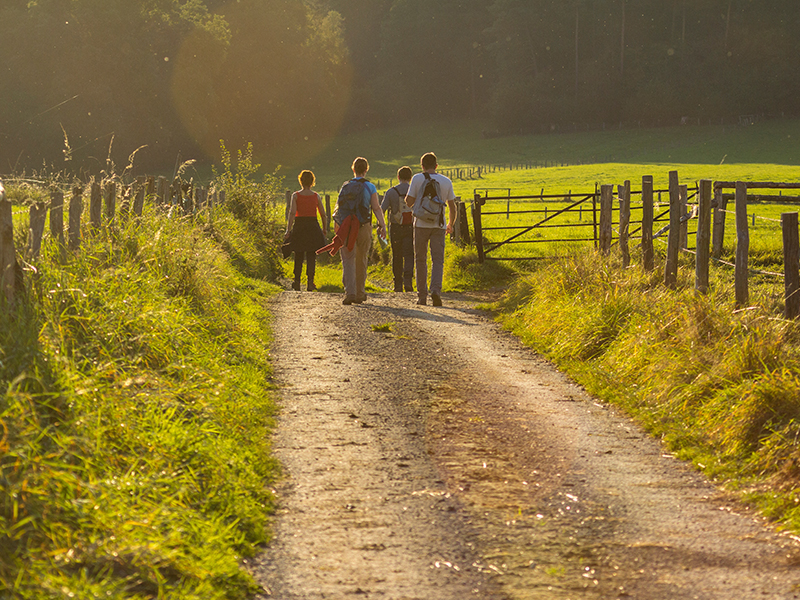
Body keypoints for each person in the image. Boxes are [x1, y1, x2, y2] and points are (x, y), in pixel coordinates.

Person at [404, 152, 456, 307]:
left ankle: (422, 296)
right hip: (439, 225)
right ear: (436, 165)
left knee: (420, 260)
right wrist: (450, 224)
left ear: (422, 166)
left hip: (420, 224)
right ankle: (436, 291)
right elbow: (452, 207)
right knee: (437, 260)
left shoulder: (417, 178)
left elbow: (409, 202)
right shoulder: (446, 181)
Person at [338, 157, 386, 305]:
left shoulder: (345, 186)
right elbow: (376, 207)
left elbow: (339, 209)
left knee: (348, 259)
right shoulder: (370, 187)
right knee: (361, 259)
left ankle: (349, 292)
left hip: (347, 226)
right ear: (366, 170)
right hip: (364, 225)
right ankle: (360, 293)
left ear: (353, 169)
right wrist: (382, 224)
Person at [284, 170, 328, 291]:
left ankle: (297, 282)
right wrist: (324, 229)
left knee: (298, 254)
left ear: (301, 181)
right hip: (312, 226)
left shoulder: (295, 195)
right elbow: (323, 215)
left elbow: (292, 213)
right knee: (311, 255)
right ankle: (310, 282)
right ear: (312, 181)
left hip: (299, 226)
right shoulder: (316, 196)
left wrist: (288, 230)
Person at [380, 166, 414, 292]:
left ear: (398, 177)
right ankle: (408, 281)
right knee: (409, 254)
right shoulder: (414, 190)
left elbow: (382, 209)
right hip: (411, 226)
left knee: (397, 255)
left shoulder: (391, 192)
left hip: (395, 227)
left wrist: (381, 226)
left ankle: (398, 284)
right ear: (411, 177)